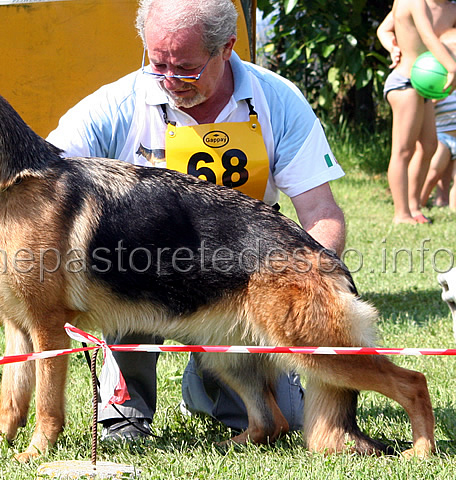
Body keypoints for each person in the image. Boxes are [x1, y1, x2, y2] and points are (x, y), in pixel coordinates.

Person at [46, 0, 346, 442]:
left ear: (227, 47)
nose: (169, 81)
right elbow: (44, 173)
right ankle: (126, 407)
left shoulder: (277, 99)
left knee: (286, 418)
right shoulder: (115, 103)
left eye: (185, 68)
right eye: (157, 63)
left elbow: (322, 213)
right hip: (141, 273)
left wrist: (304, 296)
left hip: (244, 277)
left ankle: (206, 385)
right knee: (120, 267)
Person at [377, 1, 456, 224]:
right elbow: (428, 36)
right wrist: (452, 67)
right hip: (405, 82)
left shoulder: (451, 9)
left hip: (424, 84)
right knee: (403, 150)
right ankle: (401, 213)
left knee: (429, 145)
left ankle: (414, 207)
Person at [421, 29, 456, 210]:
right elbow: (428, 106)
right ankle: (420, 201)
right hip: (441, 136)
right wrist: (438, 98)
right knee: (432, 173)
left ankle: (452, 209)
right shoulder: (439, 80)